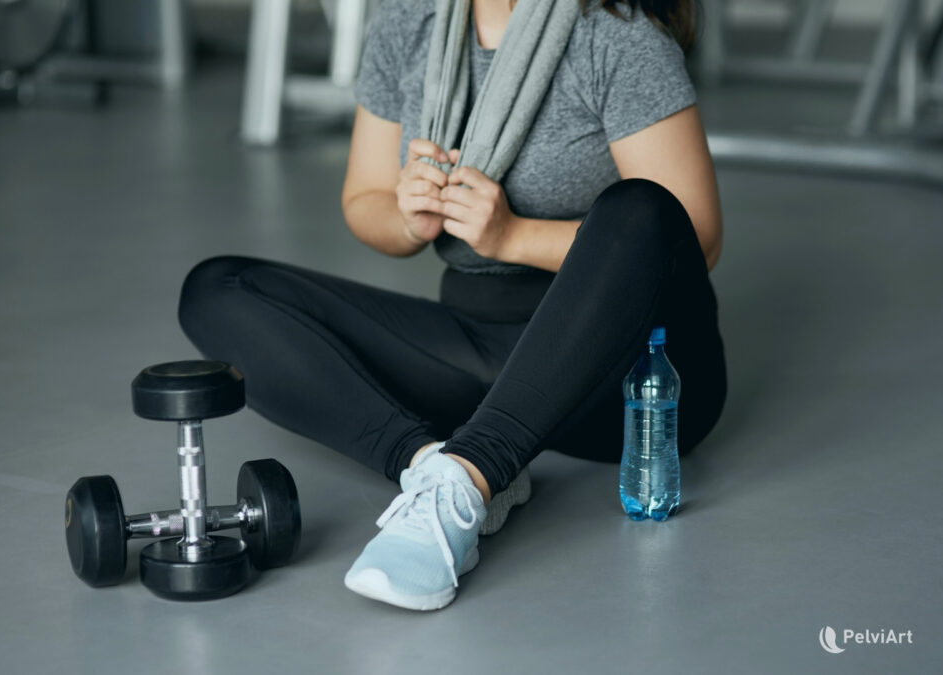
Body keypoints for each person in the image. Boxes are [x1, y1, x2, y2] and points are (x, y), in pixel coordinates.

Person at [178, 0, 726, 611]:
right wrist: (409, 219)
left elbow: (693, 235)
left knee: (639, 208)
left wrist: (510, 236)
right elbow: (366, 198)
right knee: (216, 289)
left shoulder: (616, 35)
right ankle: (438, 471)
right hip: (482, 353)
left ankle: (471, 473)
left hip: (629, 374)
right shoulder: (407, 22)